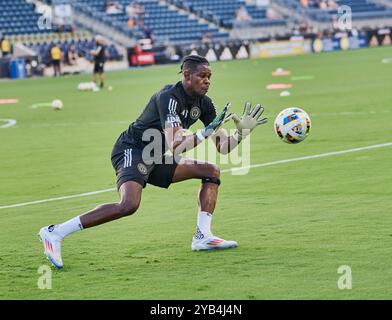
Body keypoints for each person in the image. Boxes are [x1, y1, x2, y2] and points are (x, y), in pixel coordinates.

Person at [38, 55, 268, 269]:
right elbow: (176, 145)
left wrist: (241, 134)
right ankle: (55, 232)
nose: (207, 81)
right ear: (186, 76)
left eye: (209, 77)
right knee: (129, 205)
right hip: (132, 149)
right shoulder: (168, 97)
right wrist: (205, 132)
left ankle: (203, 237)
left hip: (154, 156)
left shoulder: (206, 105)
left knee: (212, 171)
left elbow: (223, 147)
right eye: (202, 76)